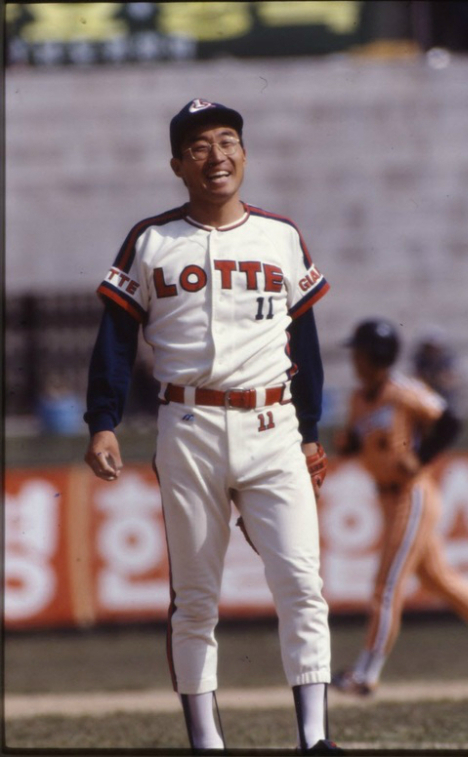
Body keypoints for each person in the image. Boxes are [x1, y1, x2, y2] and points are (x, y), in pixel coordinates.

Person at [84, 98, 342, 755]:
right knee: (196, 597)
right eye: (199, 145)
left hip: (272, 424)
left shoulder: (280, 235)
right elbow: (116, 337)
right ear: (178, 164)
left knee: (302, 584)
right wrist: (103, 421)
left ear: (244, 155)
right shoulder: (152, 239)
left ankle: (315, 738)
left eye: (228, 141)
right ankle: (206, 741)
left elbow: (305, 343)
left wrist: (311, 429)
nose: (216, 155)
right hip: (190, 422)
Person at [330, 318, 468, 696]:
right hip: (387, 498)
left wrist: (420, 457)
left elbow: (450, 421)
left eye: (360, 353)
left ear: (377, 355)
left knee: (386, 586)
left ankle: (365, 674)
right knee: (438, 579)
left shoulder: (403, 391)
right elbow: (355, 440)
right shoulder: (360, 398)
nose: (354, 360)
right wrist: (350, 444)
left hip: (412, 494)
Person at [411, 325, 459, 409]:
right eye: (428, 348)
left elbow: (449, 380)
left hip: (443, 398)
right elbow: (417, 379)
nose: (431, 351)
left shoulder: (446, 360)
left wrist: (434, 379)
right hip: (425, 398)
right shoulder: (421, 359)